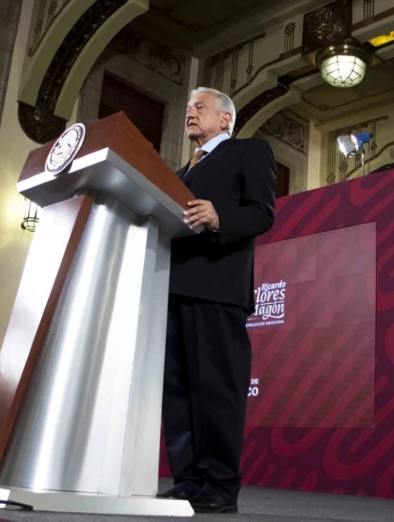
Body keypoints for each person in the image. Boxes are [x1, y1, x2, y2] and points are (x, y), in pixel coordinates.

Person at [157, 87, 276, 514]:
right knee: (177, 392)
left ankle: (220, 487)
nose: (190, 112)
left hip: (217, 289)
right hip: (170, 291)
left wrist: (219, 218)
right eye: (188, 107)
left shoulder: (249, 151)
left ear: (225, 118)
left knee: (217, 391)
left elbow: (263, 212)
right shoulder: (178, 172)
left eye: (200, 107)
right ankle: (187, 481)